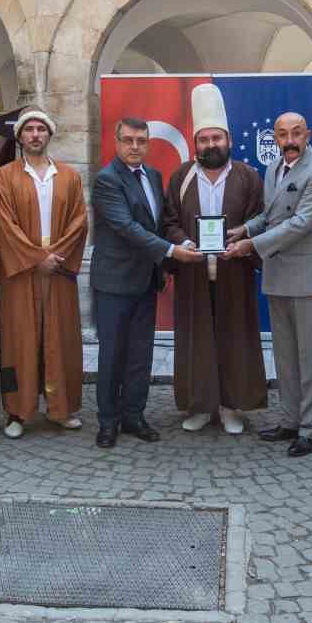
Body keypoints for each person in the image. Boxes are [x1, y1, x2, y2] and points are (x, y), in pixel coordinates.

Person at [224, 112, 312, 457]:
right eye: (283, 134)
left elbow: (301, 223)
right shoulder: (273, 169)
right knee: (285, 357)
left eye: (296, 133)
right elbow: (271, 215)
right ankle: (290, 420)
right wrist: (246, 228)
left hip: (305, 277)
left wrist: (251, 246)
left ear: (308, 134)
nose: (289, 140)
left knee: (310, 358)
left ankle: (311, 429)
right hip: (277, 276)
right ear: (275, 136)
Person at [92, 117, 205, 448]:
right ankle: (108, 422)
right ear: (116, 141)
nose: (135, 146)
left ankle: (134, 416)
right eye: (128, 140)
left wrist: (178, 245)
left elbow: (158, 225)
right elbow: (126, 227)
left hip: (146, 281)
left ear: (148, 143)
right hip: (114, 282)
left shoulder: (154, 177)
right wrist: (171, 251)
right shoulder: (106, 180)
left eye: (141, 140)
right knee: (112, 354)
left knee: (141, 353)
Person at [161, 85, 267, 435]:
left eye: (216, 138)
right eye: (203, 139)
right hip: (193, 273)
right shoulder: (180, 177)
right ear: (196, 143)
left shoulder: (248, 177)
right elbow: (169, 222)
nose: (210, 145)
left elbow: (261, 219)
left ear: (229, 140)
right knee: (197, 341)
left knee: (235, 338)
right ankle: (200, 406)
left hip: (234, 270)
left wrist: (245, 243)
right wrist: (183, 243)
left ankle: (232, 407)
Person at [0, 108, 88, 438]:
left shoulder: (69, 176)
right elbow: (4, 224)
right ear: (19, 137)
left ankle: (61, 408)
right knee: (18, 339)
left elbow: (79, 219)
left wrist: (55, 256)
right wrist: (35, 257)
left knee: (59, 339)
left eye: (41, 129)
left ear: (49, 135)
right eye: (29, 130)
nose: (35, 134)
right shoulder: (5, 176)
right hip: (21, 271)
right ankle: (16, 411)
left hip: (59, 267)